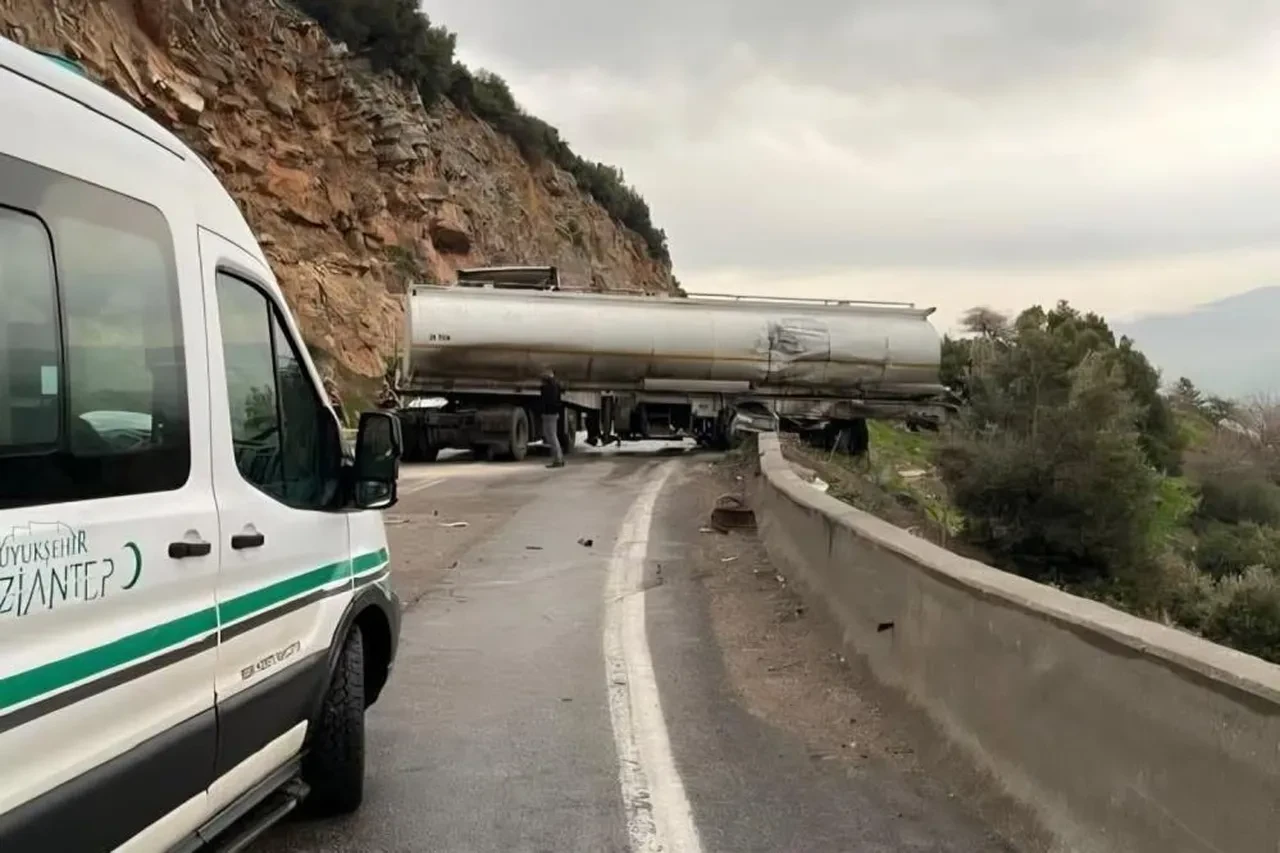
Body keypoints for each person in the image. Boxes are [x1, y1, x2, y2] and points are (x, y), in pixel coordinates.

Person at [540, 369, 565, 468]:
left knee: (551, 436)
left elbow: (545, 401)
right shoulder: (555, 385)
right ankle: (559, 458)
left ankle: (558, 459)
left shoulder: (548, 387)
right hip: (553, 413)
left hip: (549, 414)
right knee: (552, 436)